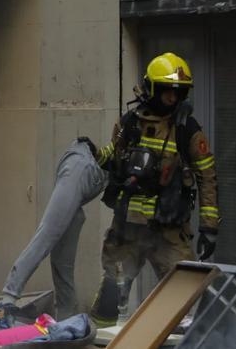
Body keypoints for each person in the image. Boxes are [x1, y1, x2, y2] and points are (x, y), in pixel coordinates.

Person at [89, 53, 219, 326]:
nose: (173, 99)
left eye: (178, 93)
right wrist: (94, 154)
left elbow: (206, 176)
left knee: (185, 300)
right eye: (166, 92)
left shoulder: (186, 129)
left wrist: (209, 227)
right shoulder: (130, 122)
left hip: (168, 231)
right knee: (109, 301)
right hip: (128, 228)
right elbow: (114, 156)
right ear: (151, 89)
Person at [0, 137, 108, 321]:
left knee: (63, 262)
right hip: (81, 168)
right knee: (47, 235)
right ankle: (8, 298)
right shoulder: (130, 142)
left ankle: (67, 319)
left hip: (85, 171)